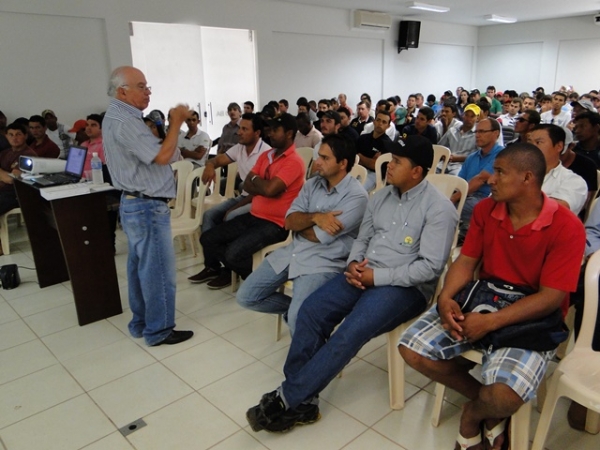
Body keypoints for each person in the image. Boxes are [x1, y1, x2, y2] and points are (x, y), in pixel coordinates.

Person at [245, 136, 458, 433]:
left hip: (405, 288)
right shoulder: (380, 197)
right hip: (363, 273)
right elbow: (362, 239)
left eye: (397, 162)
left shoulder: (439, 209)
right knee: (310, 311)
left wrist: (377, 277)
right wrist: (354, 264)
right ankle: (303, 401)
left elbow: (429, 267)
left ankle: (286, 398)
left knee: (349, 331)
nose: (389, 165)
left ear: (416, 172)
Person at [399, 143, 585, 450]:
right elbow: (467, 261)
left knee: (503, 395)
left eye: (500, 172)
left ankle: (473, 414)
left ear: (527, 178)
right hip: (484, 295)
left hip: (530, 310)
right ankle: (490, 409)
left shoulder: (566, 226)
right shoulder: (487, 209)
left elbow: (552, 297)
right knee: (412, 350)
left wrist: (491, 323)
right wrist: (446, 297)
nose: (491, 179)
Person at [236, 134, 368, 334]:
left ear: (343, 163)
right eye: (318, 156)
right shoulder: (313, 184)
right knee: (247, 297)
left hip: (322, 262)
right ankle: (302, 311)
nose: (317, 162)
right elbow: (289, 222)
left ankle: (305, 345)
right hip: (293, 251)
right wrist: (316, 217)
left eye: (325, 158)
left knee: (298, 319)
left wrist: (304, 222)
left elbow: (319, 237)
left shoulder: (356, 196)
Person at [102, 66, 193, 347]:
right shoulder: (124, 121)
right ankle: (159, 330)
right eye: (141, 86)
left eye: (147, 86)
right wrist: (176, 122)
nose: (148, 92)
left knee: (140, 268)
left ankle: (141, 322)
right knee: (158, 272)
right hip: (145, 206)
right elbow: (162, 156)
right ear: (122, 91)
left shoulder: (122, 116)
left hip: (135, 203)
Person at [190, 113, 305, 290]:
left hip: (275, 223)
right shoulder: (267, 155)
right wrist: (260, 184)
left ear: (289, 134)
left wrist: (258, 183)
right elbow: (247, 183)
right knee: (208, 238)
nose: (271, 133)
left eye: (276, 130)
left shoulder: (294, 161)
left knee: (233, 253)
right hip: (254, 215)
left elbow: (268, 189)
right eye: (271, 130)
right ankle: (242, 272)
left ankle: (259, 282)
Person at [198, 113, 271, 234]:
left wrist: (234, 208)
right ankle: (211, 250)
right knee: (209, 215)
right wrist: (210, 166)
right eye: (239, 128)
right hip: (244, 196)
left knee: (231, 216)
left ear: (257, 133)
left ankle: (226, 249)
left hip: (260, 199)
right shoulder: (240, 148)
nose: (239, 132)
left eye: (244, 129)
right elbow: (216, 160)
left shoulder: (266, 153)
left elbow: (260, 191)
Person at [452, 118, 503, 240]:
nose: (477, 135)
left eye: (482, 132)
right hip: (466, 196)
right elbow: (460, 182)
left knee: (450, 206)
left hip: (488, 198)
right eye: (476, 132)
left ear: (495, 134)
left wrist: (452, 199)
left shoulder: (502, 155)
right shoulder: (471, 157)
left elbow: (480, 180)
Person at [0, 123, 37, 228]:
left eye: (18, 134)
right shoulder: (5, 153)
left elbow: (11, 179)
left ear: (25, 136)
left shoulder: (28, 155)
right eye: (11, 135)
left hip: (16, 194)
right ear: (6, 136)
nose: (14, 138)